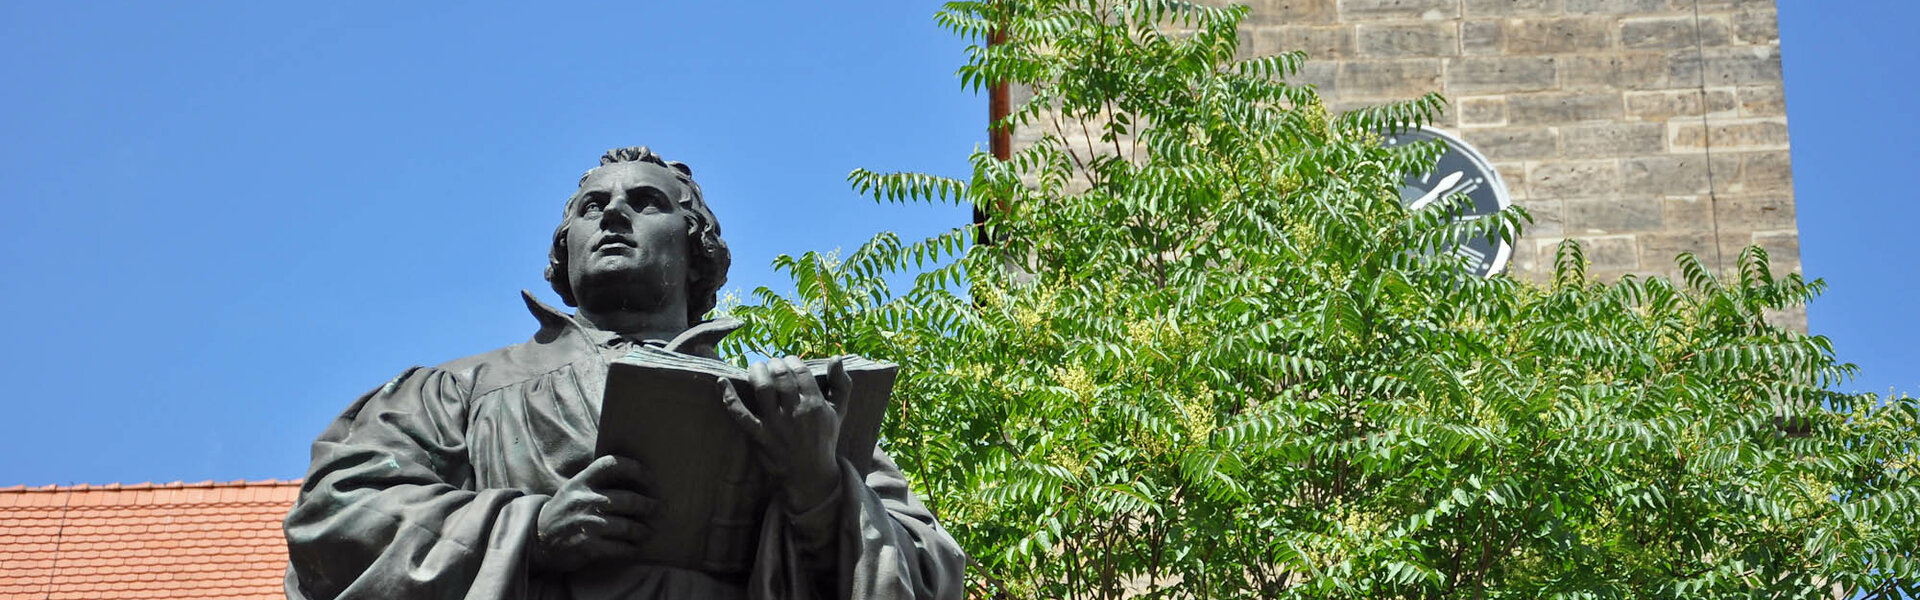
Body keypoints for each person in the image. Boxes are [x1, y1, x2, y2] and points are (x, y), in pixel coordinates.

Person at [283, 147, 966, 600]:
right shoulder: (459, 394)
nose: (612, 213)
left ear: (695, 250)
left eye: (646, 202)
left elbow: (934, 577)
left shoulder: (798, 410)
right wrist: (532, 531)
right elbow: (333, 521)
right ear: (564, 253)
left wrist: (820, 489)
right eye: (591, 207)